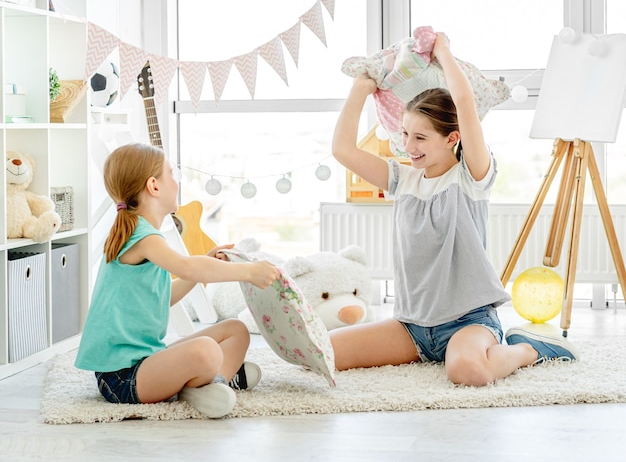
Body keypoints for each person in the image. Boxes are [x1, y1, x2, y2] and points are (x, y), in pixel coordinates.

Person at [330, 32, 578, 387]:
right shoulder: (403, 179)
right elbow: (342, 149)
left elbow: (463, 102)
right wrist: (360, 87)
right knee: (325, 353)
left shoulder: (472, 177)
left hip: (468, 322)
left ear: (452, 138)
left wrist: (442, 51)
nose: (408, 146)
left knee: (468, 372)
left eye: (420, 137)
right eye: (404, 134)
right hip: (412, 325)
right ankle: (436, 351)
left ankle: (531, 349)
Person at [75, 143, 280, 418]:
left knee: (236, 329)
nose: (177, 181)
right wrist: (249, 271)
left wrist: (202, 266)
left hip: (146, 363)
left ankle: (206, 386)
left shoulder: (142, 233)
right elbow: (187, 267)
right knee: (206, 350)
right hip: (123, 378)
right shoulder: (142, 236)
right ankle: (210, 383)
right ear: (154, 186)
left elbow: (163, 298)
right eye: (171, 174)